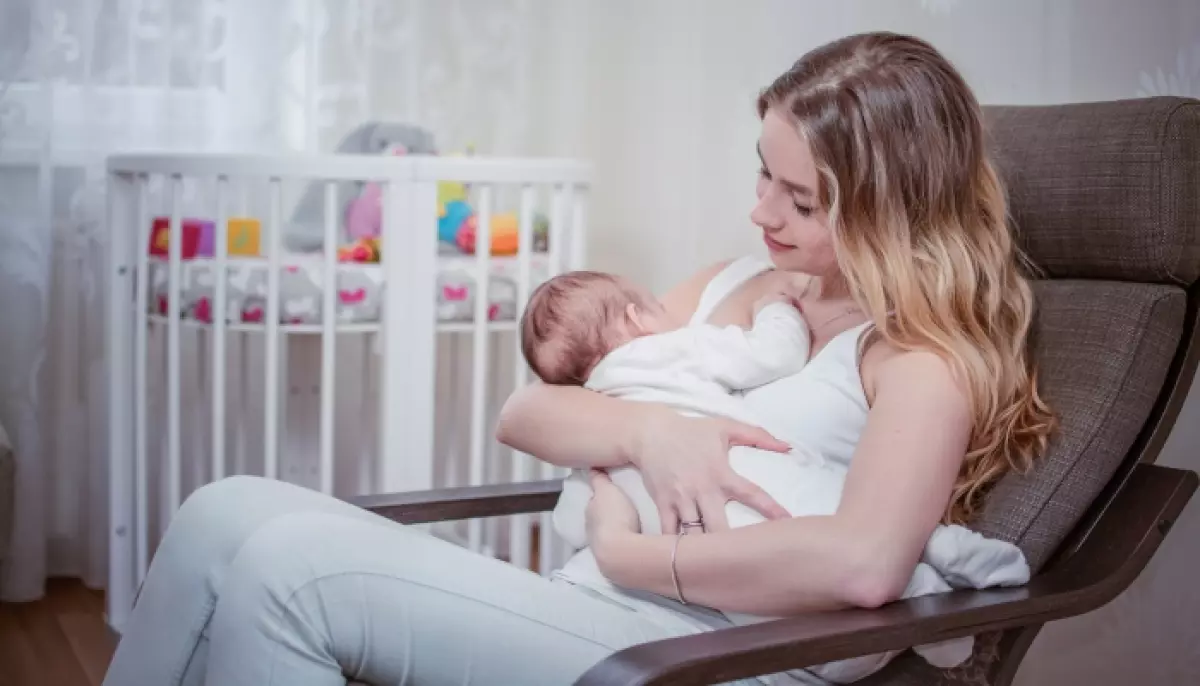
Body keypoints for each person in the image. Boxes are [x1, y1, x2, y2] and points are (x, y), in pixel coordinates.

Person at [102, 31, 1056, 686]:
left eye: (801, 200)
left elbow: (863, 565)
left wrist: (634, 553)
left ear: (890, 208)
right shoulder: (731, 284)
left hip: (699, 652)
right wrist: (654, 431)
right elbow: (528, 415)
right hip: (596, 608)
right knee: (221, 507)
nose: (761, 211)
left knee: (288, 573)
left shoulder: (917, 359)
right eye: (761, 171)